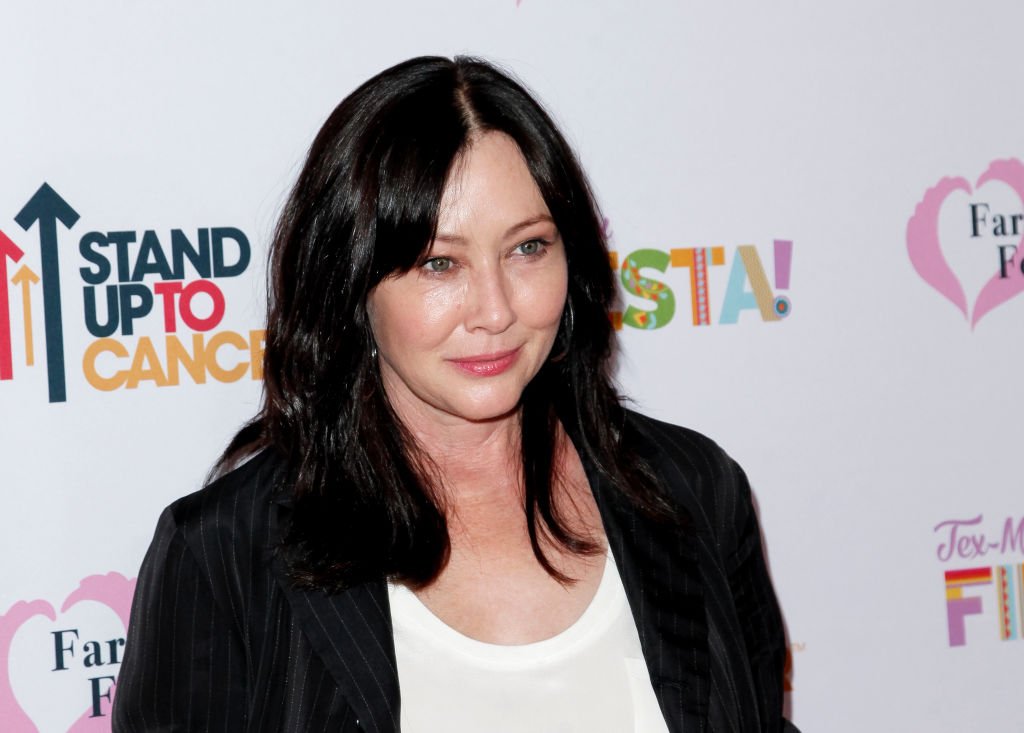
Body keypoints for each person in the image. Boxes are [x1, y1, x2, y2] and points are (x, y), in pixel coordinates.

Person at [112, 56, 797, 733]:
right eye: (440, 263)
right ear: (352, 286)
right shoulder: (224, 554)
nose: (494, 309)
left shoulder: (693, 489)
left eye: (528, 248)